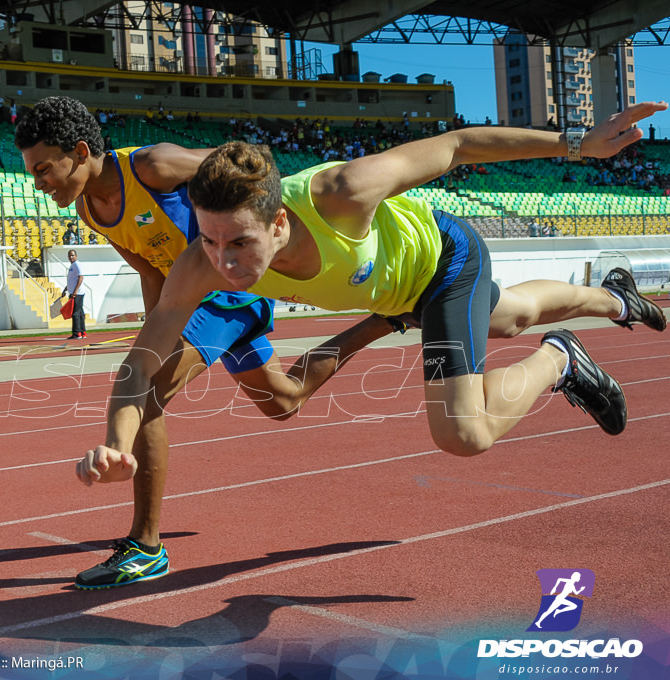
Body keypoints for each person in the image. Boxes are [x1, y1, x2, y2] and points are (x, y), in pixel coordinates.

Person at [91, 102, 668, 496]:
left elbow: (458, 144)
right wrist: (117, 442)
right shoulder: (201, 264)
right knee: (514, 315)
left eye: (241, 242)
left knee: (462, 433)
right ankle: (616, 299)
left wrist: (575, 144)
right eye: (211, 241)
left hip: (443, 261)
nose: (226, 262)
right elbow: (142, 360)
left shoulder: (342, 192)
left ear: (281, 224)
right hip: (397, 291)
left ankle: (562, 358)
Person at [16, 96, 395, 589]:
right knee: (283, 402)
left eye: (44, 169)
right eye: (32, 173)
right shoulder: (91, 209)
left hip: (230, 294)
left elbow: (247, 161)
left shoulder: (152, 166)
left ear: (81, 151)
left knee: (146, 394)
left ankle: (145, 547)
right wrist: (156, 335)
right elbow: (150, 269)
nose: (39, 183)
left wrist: (258, 239)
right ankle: (384, 322)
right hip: (193, 305)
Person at [62, 249, 86, 340]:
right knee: (79, 313)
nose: (71, 257)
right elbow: (71, 281)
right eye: (69, 256)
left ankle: (77, 333)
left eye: (72, 255)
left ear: (76, 256)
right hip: (73, 291)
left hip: (77, 293)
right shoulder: (72, 266)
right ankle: (82, 332)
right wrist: (65, 290)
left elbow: (81, 277)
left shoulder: (77, 265)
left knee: (75, 313)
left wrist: (75, 291)